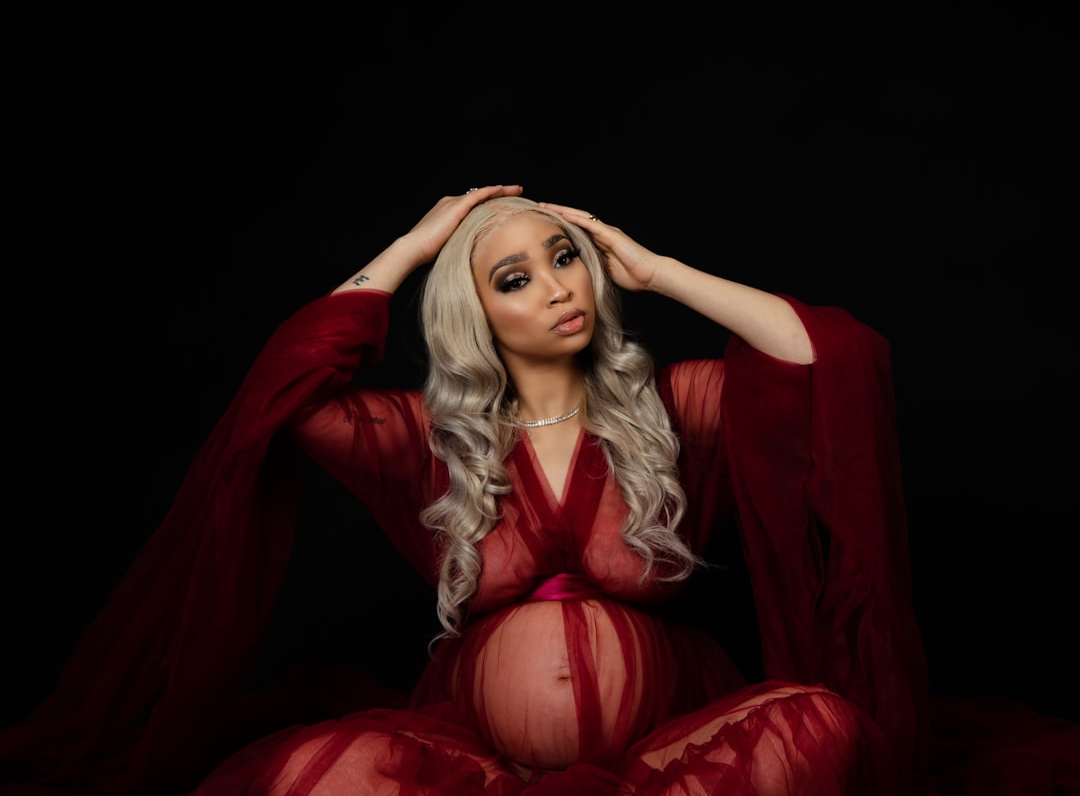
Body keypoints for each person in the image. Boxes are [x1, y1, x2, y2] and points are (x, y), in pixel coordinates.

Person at [2, 186, 1076, 795]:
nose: (557, 285)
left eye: (564, 258)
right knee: (311, 781)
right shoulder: (426, 435)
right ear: (477, 315)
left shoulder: (671, 403)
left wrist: (656, 269)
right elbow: (287, 394)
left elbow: (825, 359)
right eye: (514, 278)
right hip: (480, 760)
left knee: (829, 730)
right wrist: (417, 246)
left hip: (669, 758)